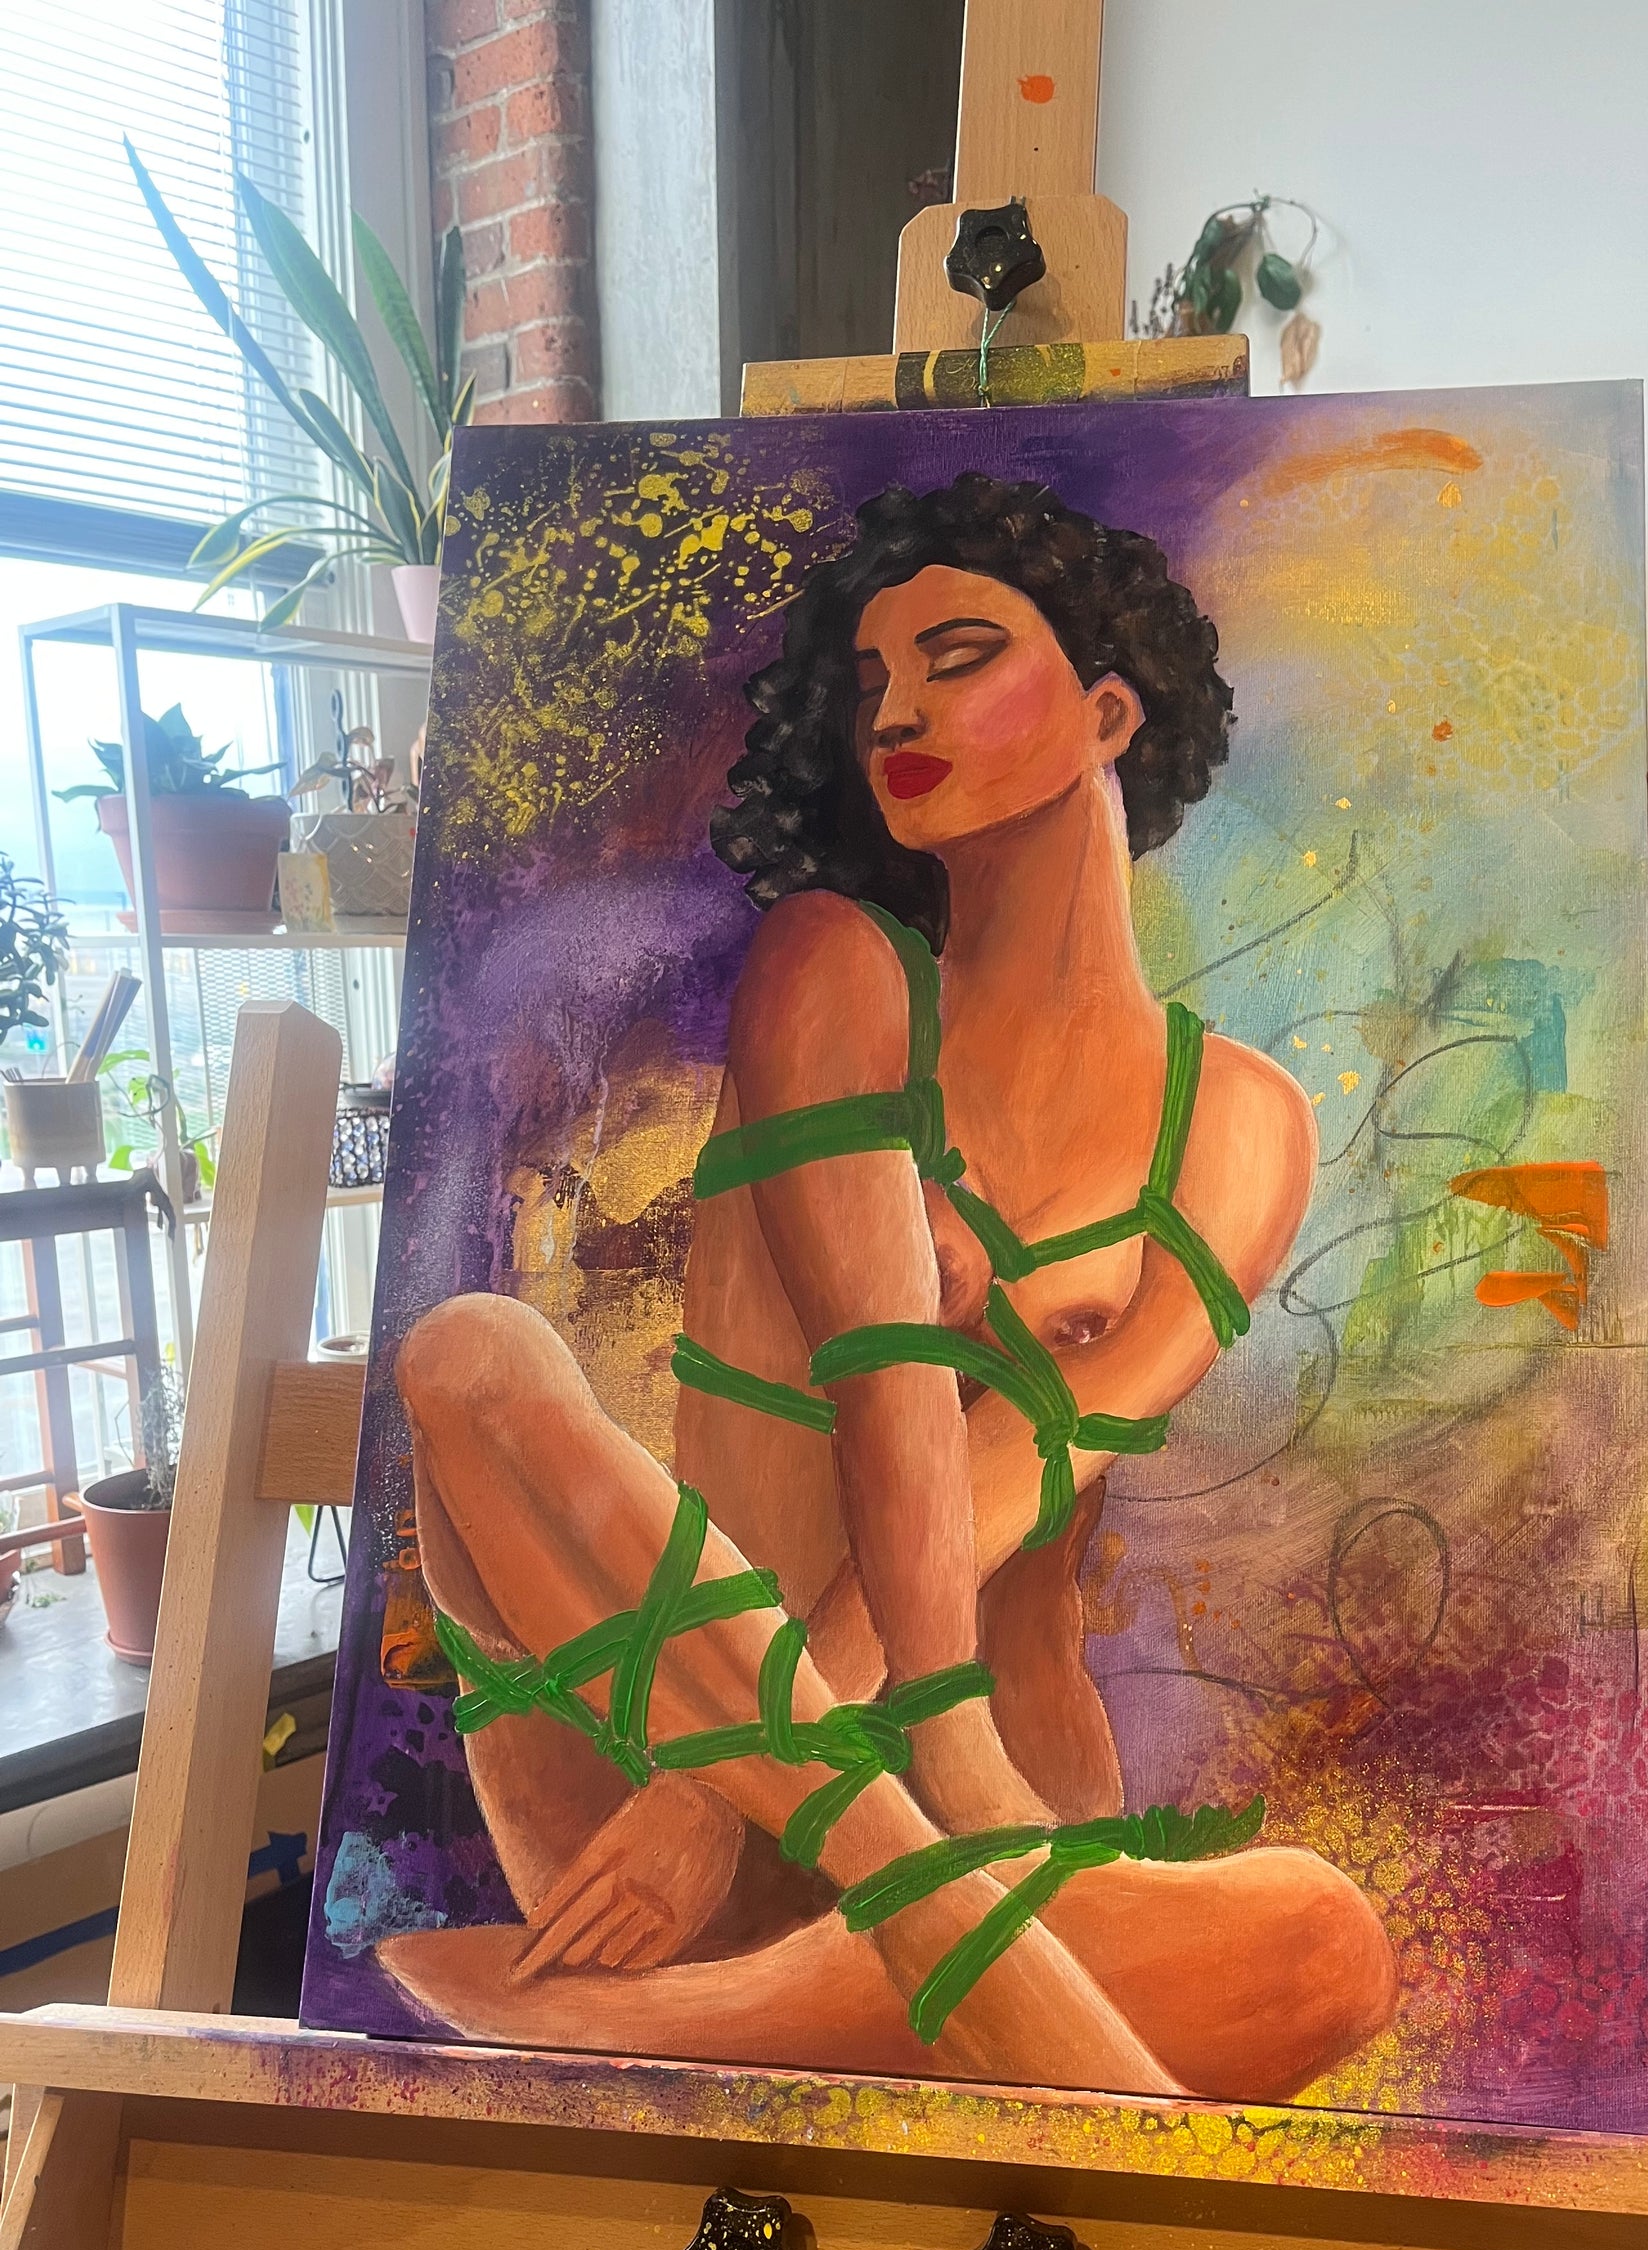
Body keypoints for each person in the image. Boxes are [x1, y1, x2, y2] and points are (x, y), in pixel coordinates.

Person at [380, 473, 1398, 2101]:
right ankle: (873, 1898)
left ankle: (668, 2018)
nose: (898, 712)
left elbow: (1004, 1472)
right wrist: (713, 1794)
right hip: (667, 1755)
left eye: (958, 657)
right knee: (471, 1352)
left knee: (1325, 1947)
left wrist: (821, 1788)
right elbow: (883, 1390)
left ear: (1110, 709)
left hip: (979, 1793)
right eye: (869, 685)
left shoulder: (1238, 1123)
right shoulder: (833, 970)